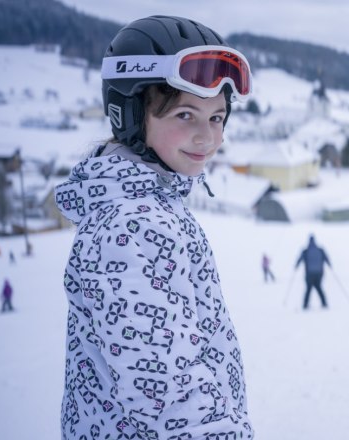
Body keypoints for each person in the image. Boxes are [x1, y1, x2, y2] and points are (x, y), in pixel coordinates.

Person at [53, 16, 254, 439]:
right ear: (128, 114)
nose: (207, 137)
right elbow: (166, 393)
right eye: (186, 114)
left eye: (217, 117)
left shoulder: (145, 205)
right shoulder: (136, 225)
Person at [295, 234, 331, 309]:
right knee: (318, 287)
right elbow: (326, 258)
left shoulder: (306, 251)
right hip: (319, 273)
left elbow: (300, 259)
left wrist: (296, 266)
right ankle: (324, 303)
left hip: (309, 273)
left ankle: (305, 304)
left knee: (308, 289)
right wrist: (329, 265)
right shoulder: (320, 250)